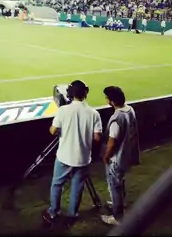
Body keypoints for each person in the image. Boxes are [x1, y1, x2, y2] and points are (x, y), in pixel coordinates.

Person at [42, 80, 102, 225]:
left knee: (57, 184)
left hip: (64, 157)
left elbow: (53, 130)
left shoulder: (63, 110)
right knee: (77, 187)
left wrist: (65, 132)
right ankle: (72, 214)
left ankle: (53, 212)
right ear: (85, 94)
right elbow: (97, 137)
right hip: (83, 158)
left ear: (70, 94)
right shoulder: (94, 113)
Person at [101, 86, 140, 226]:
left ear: (111, 101)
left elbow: (112, 141)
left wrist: (106, 156)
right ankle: (119, 203)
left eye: (106, 97)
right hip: (127, 155)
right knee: (120, 182)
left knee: (114, 186)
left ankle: (118, 217)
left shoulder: (117, 118)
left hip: (117, 158)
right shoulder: (129, 109)